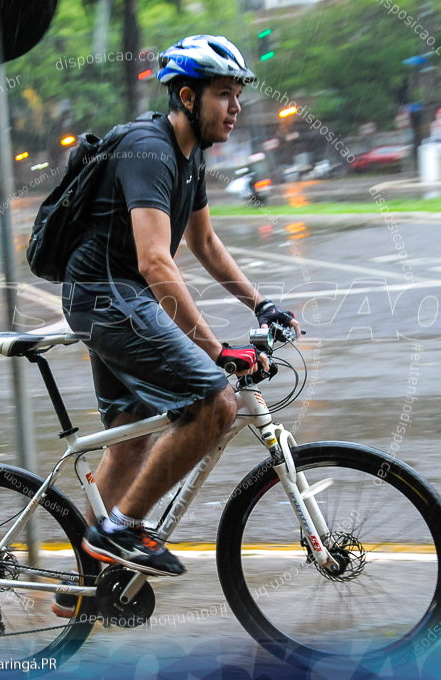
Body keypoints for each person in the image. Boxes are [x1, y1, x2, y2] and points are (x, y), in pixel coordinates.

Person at [59, 35, 301, 602]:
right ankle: (118, 530)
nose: (236, 108)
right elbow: (153, 260)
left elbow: (206, 242)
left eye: (238, 95)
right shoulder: (149, 150)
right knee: (214, 400)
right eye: (225, 94)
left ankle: (85, 587)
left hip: (120, 297)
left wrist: (260, 304)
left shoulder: (188, 156)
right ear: (188, 97)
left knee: (131, 438)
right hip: (107, 295)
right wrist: (217, 350)